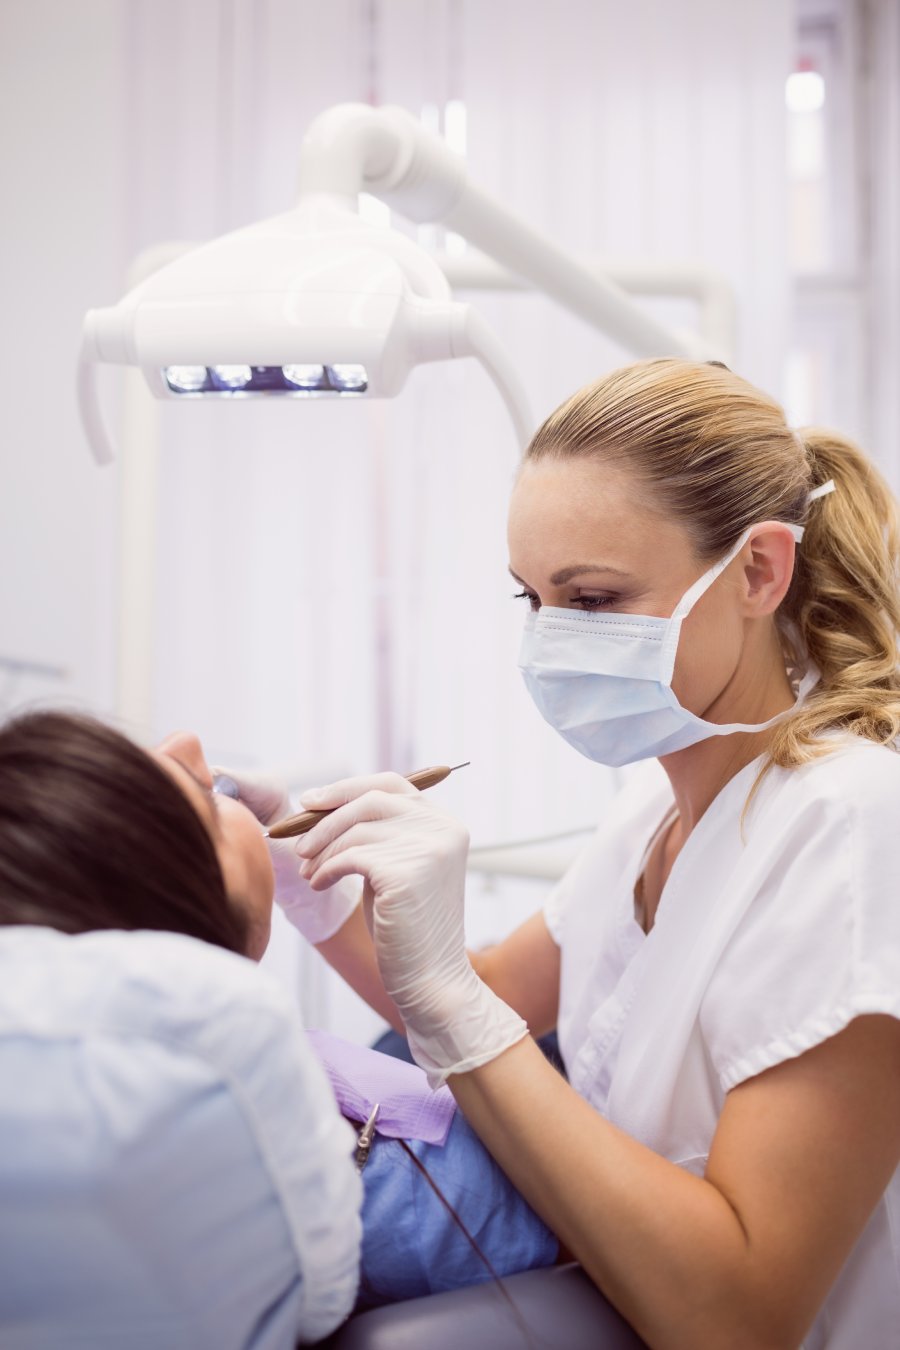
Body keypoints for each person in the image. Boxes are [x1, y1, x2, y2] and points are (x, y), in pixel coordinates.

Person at [266, 358, 900, 1350]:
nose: (552, 643)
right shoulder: (652, 814)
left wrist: (452, 999)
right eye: (532, 601)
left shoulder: (851, 826)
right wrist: (304, 882)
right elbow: (481, 998)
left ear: (758, 572)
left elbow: (743, 1317)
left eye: (594, 600)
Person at [0, 711, 555, 1348]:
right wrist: (443, 986)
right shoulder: (364, 1164)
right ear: (191, 930)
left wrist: (308, 892)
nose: (188, 743)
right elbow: (574, 1219)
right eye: (208, 806)